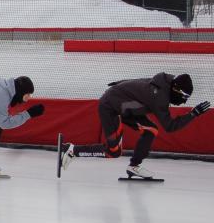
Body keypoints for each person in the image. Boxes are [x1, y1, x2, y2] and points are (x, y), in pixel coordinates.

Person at [60, 73, 209, 179]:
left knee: (151, 130)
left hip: (124, 107)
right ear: (175, 89)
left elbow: (136, 84)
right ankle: (71, 150)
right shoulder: (160, 97)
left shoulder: (165, 82)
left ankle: (134, 166)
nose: (184, 101)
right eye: (184, 97)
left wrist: (118, 86)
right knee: (113, 152)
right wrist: (193, 114)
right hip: (110, 107)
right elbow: (170, 126)